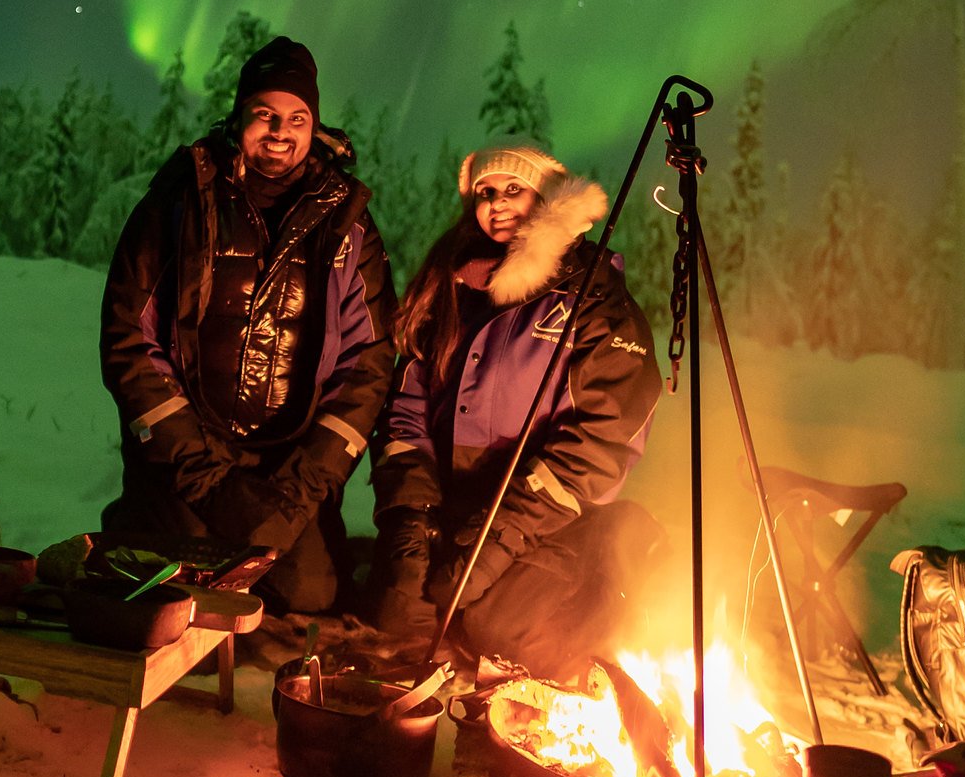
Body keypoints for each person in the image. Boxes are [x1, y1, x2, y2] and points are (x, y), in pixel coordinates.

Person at [100, 35, 397, 614]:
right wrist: (203, 474)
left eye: (296, 117)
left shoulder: (348, 224)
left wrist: (299, 492)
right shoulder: (181, 202)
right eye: (265, 113)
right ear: (239, 117)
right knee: (167, 585)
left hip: (285, 466)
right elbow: (128, 340)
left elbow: (369, 363)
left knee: (311, 594)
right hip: (189, 456)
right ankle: (146, 523)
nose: (280, 131)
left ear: (315, 127)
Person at [368, 138, 664, 681]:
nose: (497, 203)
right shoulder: (452, 288)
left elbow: (599, 444)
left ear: (550, 201)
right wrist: (411, 528)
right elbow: (406, 414)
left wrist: (495, 546)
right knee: (394, 605)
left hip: (552, 521)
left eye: (513, 189)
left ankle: (612, 597)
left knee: (495, 632)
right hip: (458, 510)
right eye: (485, 192)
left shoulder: (597, 304)